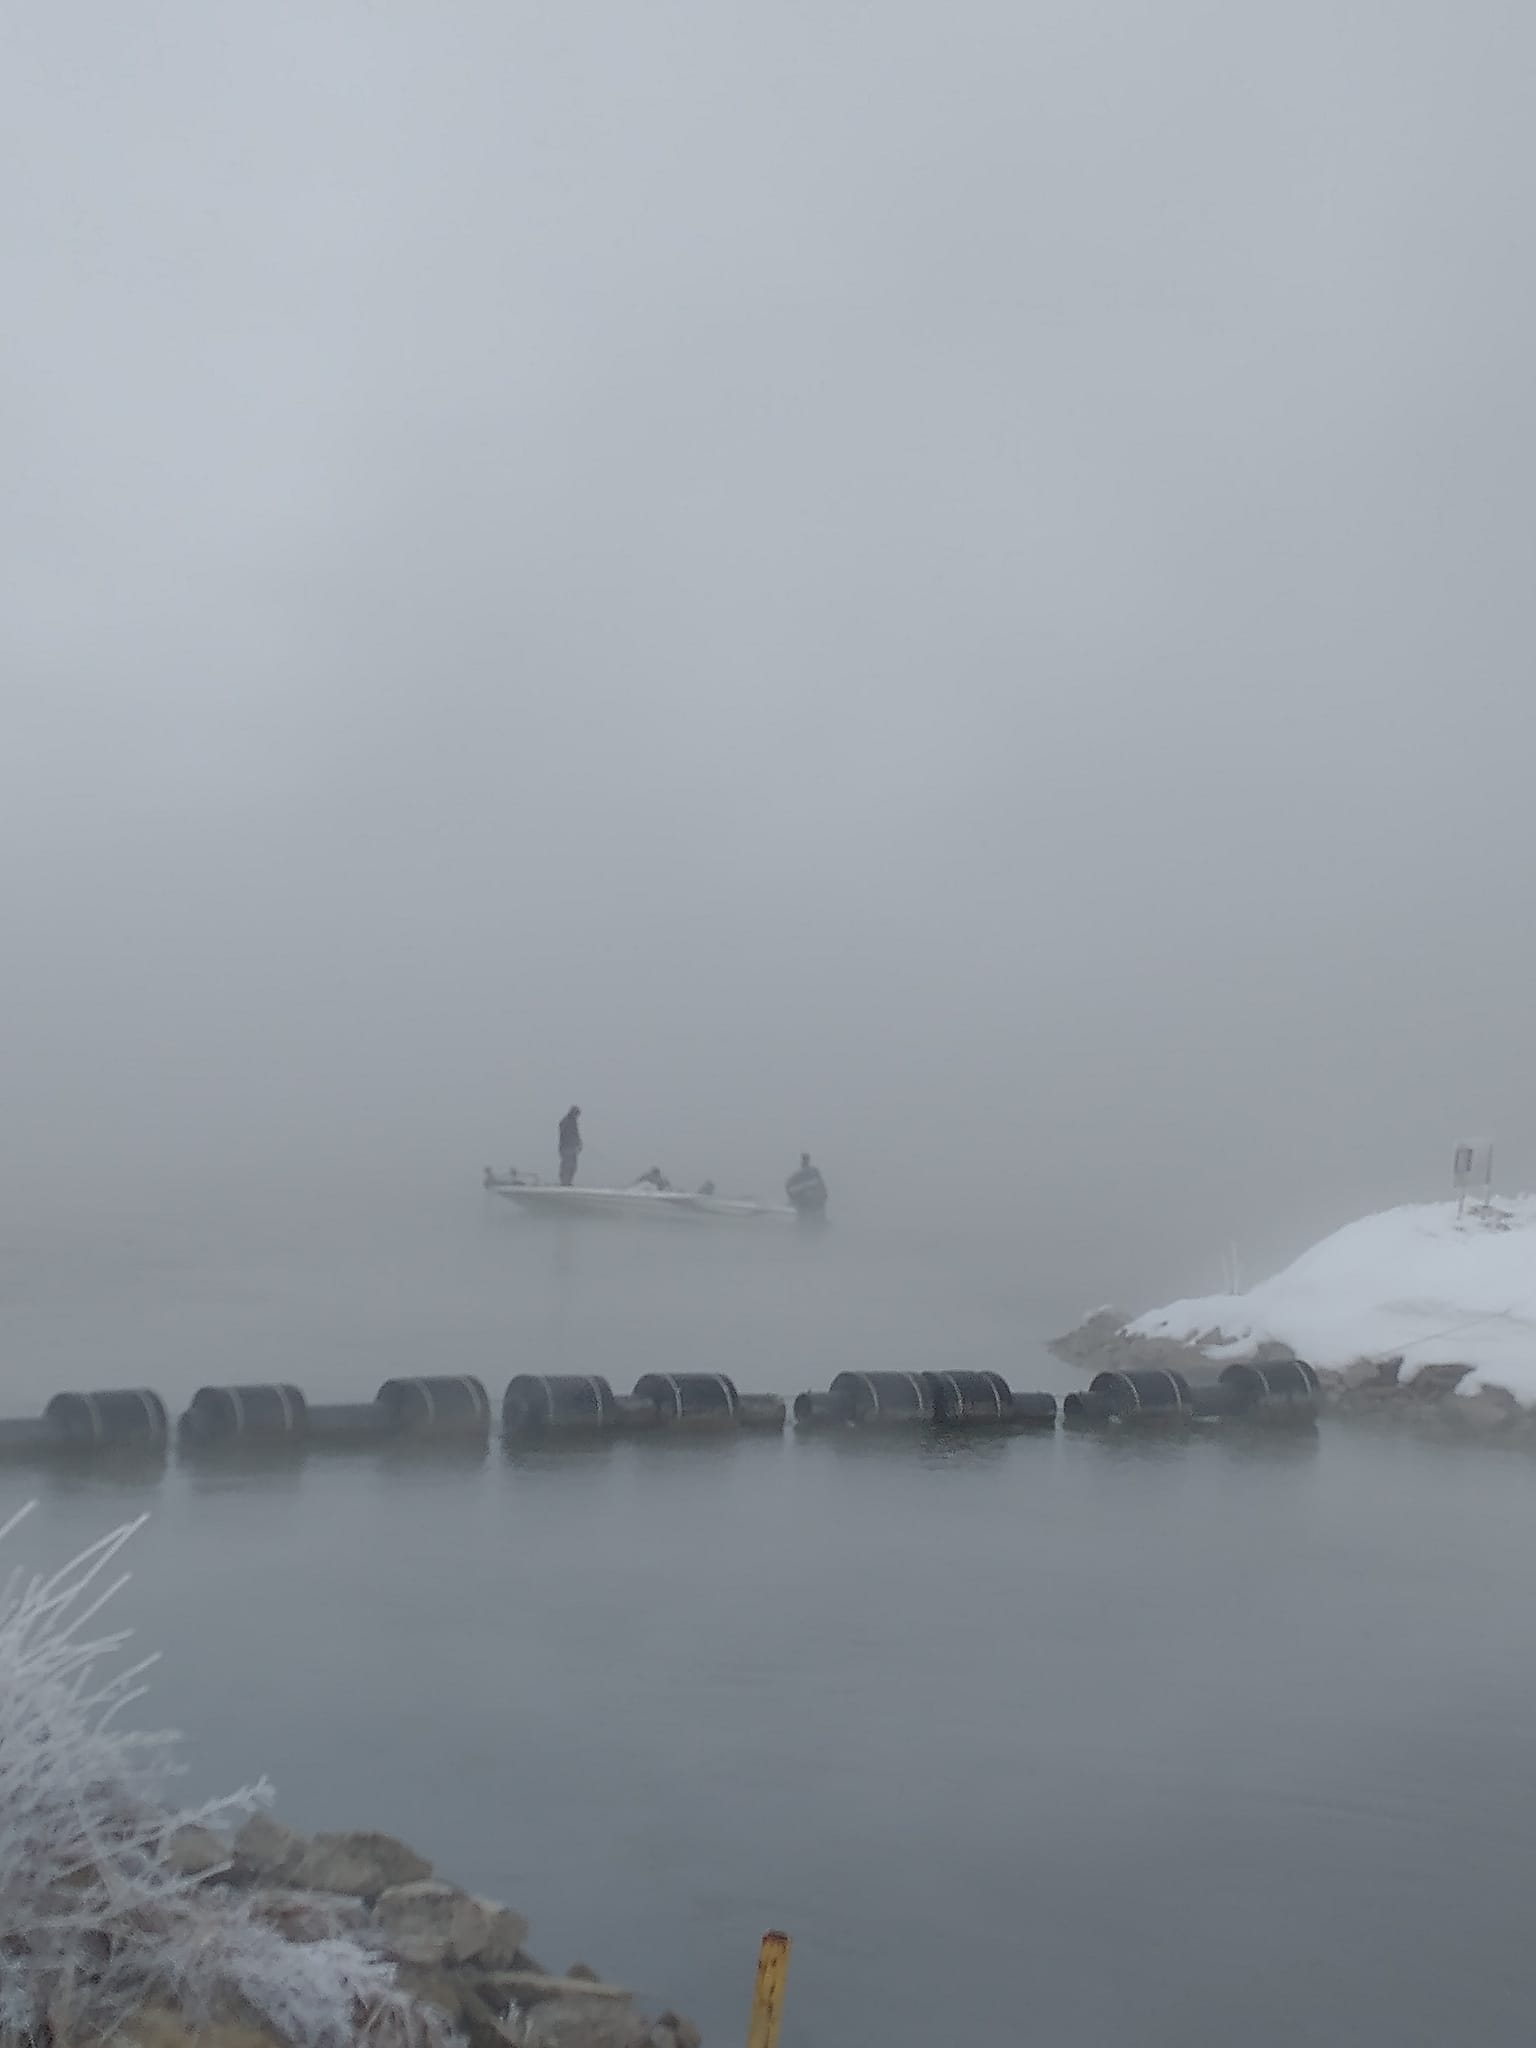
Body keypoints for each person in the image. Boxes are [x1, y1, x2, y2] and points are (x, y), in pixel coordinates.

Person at [785, 1151, 828, 1218]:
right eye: (804, 1159)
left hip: (811, 1206)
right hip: (807, 1206)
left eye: (805, 1159)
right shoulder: (800, 1174)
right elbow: (788, 1186)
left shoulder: (813, 1172)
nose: (803, 1162)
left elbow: (822, 1187)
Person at [557, 1106, 582, 1187]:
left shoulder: (573, 1122)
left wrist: (579, 1143)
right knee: (567, 1165)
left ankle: (568, 1182)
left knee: (572, 1166)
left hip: (571, 1147)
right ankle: (564, 1182)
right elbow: (566, 1134)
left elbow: (575, 1134)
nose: (577, 1116)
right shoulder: (566, 1121)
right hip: (566, 1147)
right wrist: (574, 1142)